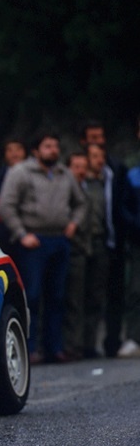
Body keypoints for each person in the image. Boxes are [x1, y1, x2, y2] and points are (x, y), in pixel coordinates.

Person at [0, 132, 87, 364]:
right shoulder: (21, 172)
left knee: (57, 296)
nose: (53, 150)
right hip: (33, 241)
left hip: (59, 240)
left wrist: (73, 224)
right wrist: (21, 233)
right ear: (36, 150)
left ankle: (54, 347)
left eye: (56, 146)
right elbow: (7, 205)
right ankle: (30, 347)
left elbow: (80, 203)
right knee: (33, 295)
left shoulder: (64, 173)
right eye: (48, 146)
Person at [78, 120, 127, 358]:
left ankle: (109, 342)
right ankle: (82, 344)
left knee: (108, 294)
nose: (97, 144)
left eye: (100, 139)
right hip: (84, 242)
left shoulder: (115, 171)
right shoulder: (77, 179)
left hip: (110, 241)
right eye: (92, 139)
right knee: (84, 295)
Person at [62, 152, 94, 360]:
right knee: (65, 299)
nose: (80, 171)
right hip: (68, 247)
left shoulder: (91, 189)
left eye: (84, 166)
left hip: (86, 248)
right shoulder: (63, 189)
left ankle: (80, 344)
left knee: (82, 299)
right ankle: (66, 345)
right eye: (76, 166)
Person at [118, 116, 140, 358]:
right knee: (135, 290)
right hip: (138, 240)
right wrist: (135, 226)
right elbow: (122, 206)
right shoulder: (131, 168)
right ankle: (135, 337)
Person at [0, 139, 28, 256]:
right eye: (10, 150)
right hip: (4, 236)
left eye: (18, 149)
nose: (14, 154)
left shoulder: (36, 178)